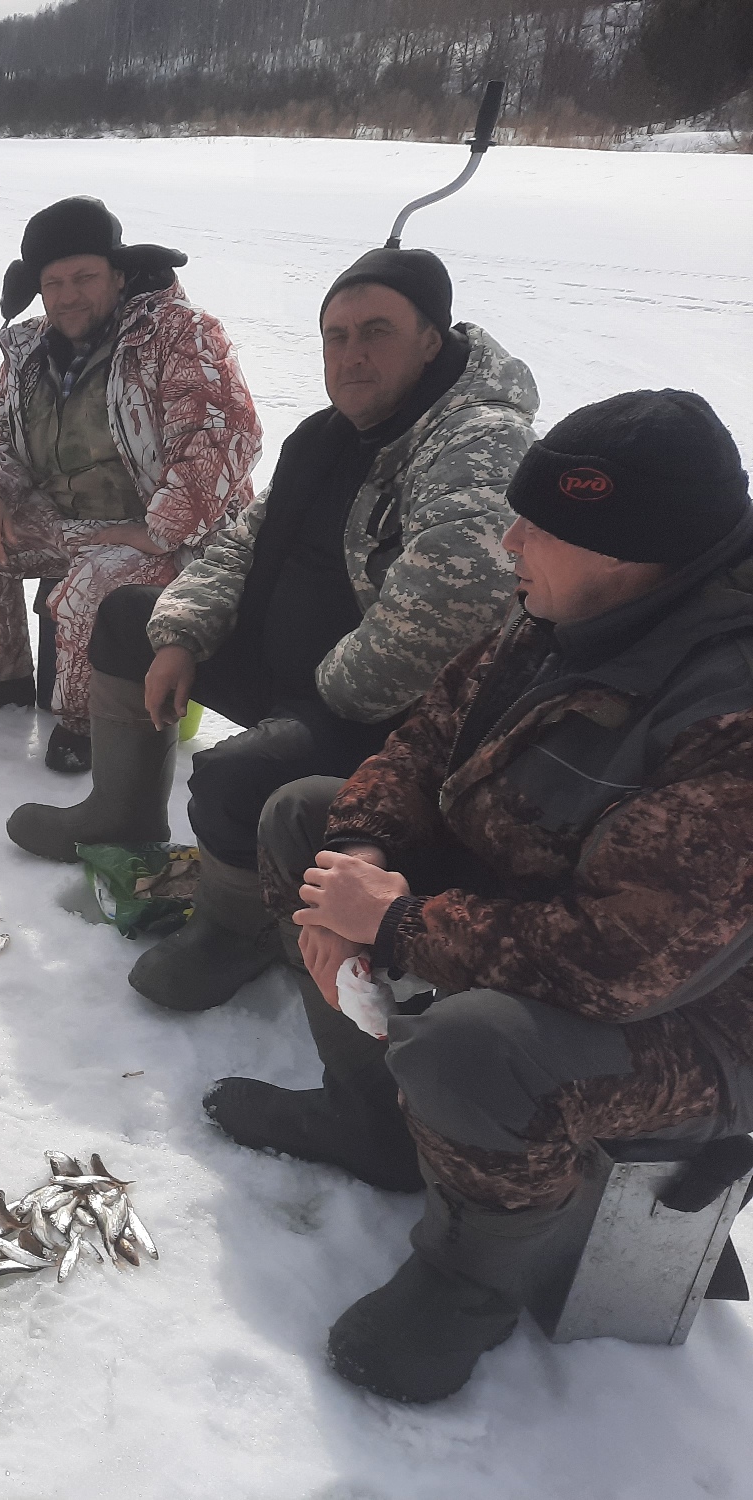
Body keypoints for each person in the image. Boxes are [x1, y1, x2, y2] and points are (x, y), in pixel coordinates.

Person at [210, 391, 753, 1403]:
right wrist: (356, 860)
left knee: (474, 1048)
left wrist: (396, 922)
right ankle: (370, 1121)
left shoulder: (730, 712)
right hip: (538, 894)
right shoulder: (564, 610)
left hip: (703, 1022)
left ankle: (470, 1281)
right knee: (303, 822)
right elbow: (423, 740)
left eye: (534, 527)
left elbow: (621, 963)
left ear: (627, 552)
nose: (507, 544)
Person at [8, 249, 537, 1013]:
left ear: (431, 339)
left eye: (377, 332)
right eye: (336, 336)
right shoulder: (331, 435)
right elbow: (242, 543)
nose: (351, 355)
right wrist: (182, 634)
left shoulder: (476, 440)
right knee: (131, 619)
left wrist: (314, 698)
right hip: (298, 667)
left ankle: (237, 924)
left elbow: (452, 607)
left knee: (235, 775)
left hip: (385, 709)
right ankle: (121, 811)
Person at [0, 197, 260, 772]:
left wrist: (157, 529)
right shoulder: (30, 349)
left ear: (119, 275)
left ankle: (90, 723)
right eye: (53, 283)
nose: (68, 296)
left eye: (84, 278)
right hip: (78, 523)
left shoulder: (179, 334)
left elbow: (226, 439)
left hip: (180, 536)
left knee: (95, 579)